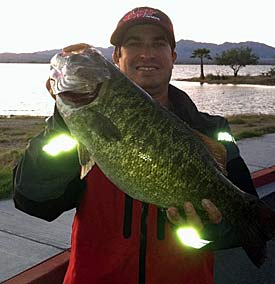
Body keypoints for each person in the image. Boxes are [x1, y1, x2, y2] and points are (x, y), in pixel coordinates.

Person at [13, 6, 258, 284]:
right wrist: (66, 117)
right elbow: (34, 201)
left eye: (158, 43)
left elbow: (243, 219)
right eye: (133, 44)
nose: (147, 54)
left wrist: (210, 229)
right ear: (117, 57)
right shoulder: (76, 125)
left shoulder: (212, 130)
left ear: (172, 56)